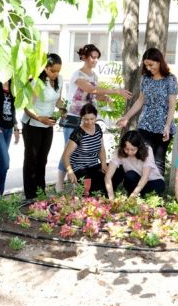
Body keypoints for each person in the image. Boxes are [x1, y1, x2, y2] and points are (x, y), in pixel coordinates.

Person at [56, 44, 131, 191]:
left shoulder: (94, 76)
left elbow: (94, 94)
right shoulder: (78, 75)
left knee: (87, 151)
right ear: (84, 57)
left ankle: (80, 183)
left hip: (89, 118)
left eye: (97, 58)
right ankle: (60, 183)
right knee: (68, 151)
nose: (95, 60)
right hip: (74, 118)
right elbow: (90, 89)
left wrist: (107, 98)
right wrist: (116, 91)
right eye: (92, 57)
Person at [116, 48, 178, 177]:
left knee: (159, 161)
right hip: (145, 125)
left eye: (151, 65)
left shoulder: (170, 79)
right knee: (144, 158)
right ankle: (142, 188)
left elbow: (172, 105)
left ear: (159, 62)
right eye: (146, 65)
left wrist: (167, 125)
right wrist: (126, 117)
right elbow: (140, 100)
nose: (148, 68)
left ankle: (156, 193)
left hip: (163, 128)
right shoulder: (145, 78)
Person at [21, 53, 63, 199]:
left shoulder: (60, 80)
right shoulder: (36, 83)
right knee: (31, 160)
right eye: (53, 71)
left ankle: (40, 192)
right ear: (45, 68)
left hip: (48, 124)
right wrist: (40, 118)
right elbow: (26, 107)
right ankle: (30, 195)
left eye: (58, 71)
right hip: (33, 123)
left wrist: (63, 109)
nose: (55, 74)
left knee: (42, 160)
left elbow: (57, 101)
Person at [104, 130, 165, 200]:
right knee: (130, 175)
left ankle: (137, 196)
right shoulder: (119, 152)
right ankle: (135, 196)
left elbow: (145, 177)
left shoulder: (147, 150)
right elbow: (108, 176)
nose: (129, 152)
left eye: (133, 150)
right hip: (135, 180)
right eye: (126, 149)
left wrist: (133, 195)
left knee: (152, 194)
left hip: (152, 181)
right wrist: (111, 196)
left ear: (139, 147)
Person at [62, 104, 107, 195]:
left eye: (92, 119)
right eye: (86, 119)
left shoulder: (98, 128)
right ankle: (88, 193)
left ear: (96, 117)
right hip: (80, 168)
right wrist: (70, 172)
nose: (89, 122)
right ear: (81, 118)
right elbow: (65, 156)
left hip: (94, 166)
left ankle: (102, 193)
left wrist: (103, 164)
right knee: (92, 183)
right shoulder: (78, 133)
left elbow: (101, 149)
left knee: (115, 170)